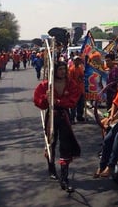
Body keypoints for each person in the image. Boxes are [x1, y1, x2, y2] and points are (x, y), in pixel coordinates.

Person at [33, 61, 81, 193]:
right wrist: (46, 98)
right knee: (51, 144)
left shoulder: (71, 84)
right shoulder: (45, 85)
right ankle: (51, 168)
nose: (63, 72)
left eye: (64, 69)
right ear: (55, 71)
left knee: (65, 146)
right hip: (51, 117)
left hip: (64, 116)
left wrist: (58, 101)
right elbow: (38, 102)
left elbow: (73, 101)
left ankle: (65, 178)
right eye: (60, 69)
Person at [94, 78, 118, 178]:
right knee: (108, 138)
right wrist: (111, 116)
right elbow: (115, 104)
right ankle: (102, 166)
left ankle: (111, 166)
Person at [68, 56, 85, 123]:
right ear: (74, 61)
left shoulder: (80, 68)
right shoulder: (71, 69)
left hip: (81, 89)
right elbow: (70, 80)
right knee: (73, 105)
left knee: (81, 105)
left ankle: (79, 116)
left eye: (79, 60)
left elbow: (82, 76)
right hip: (74, 90)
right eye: (76, 60)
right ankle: (72, 118)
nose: (78, 61)